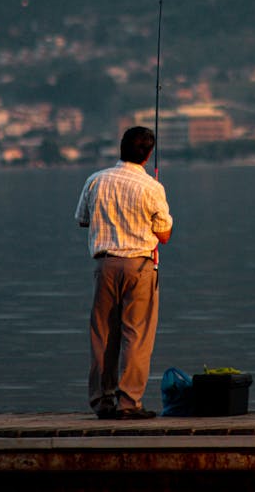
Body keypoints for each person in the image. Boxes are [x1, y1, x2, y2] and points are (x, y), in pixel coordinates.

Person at [75, 126, 173, 420]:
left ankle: (102, 401)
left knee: (103, 336)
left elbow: (82, 220)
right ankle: (129, 403)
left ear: (121, 148)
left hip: (105, 266)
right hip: (140, 267)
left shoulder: (95, 180)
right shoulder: (152, 187)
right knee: (137, 335)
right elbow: (164, 235)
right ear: (148, 155)